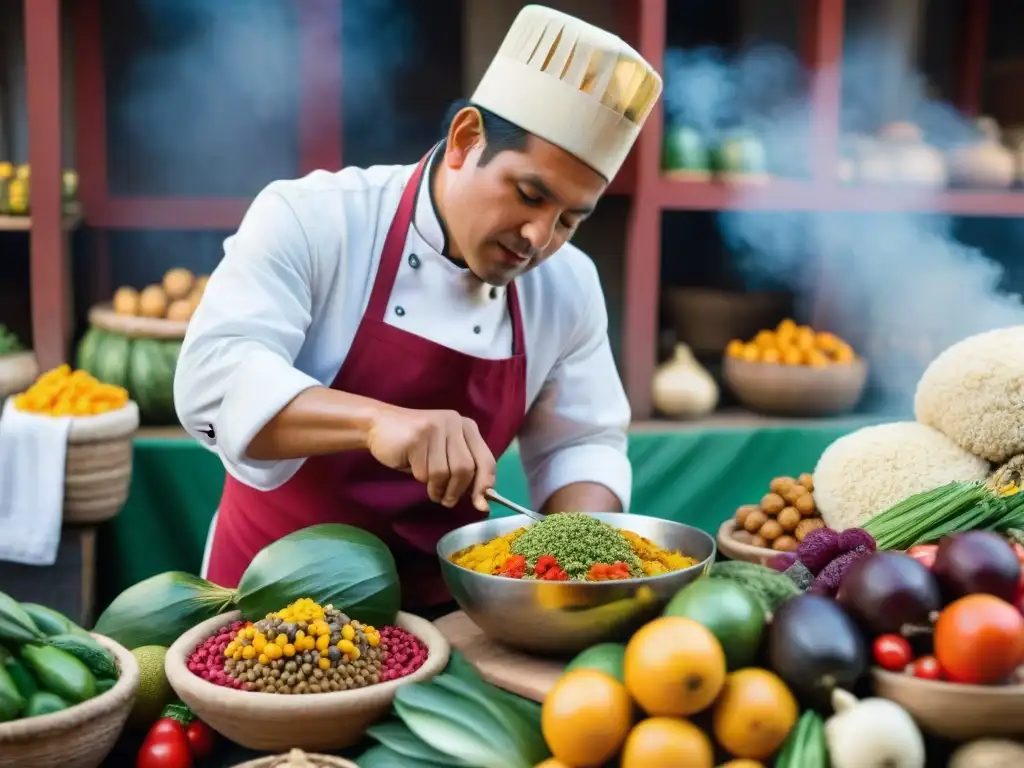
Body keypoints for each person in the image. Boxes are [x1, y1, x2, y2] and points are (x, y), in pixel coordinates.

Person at [174, 4, 663, 613]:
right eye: (530, 194)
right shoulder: (316, 218)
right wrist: (378, 422)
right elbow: (212, 381)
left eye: (569, 218)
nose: (540, 237)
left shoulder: (569, 286)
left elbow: (581, 442)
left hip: (448, 622)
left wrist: (579, 556)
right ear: (465, 140)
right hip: (265, 608)